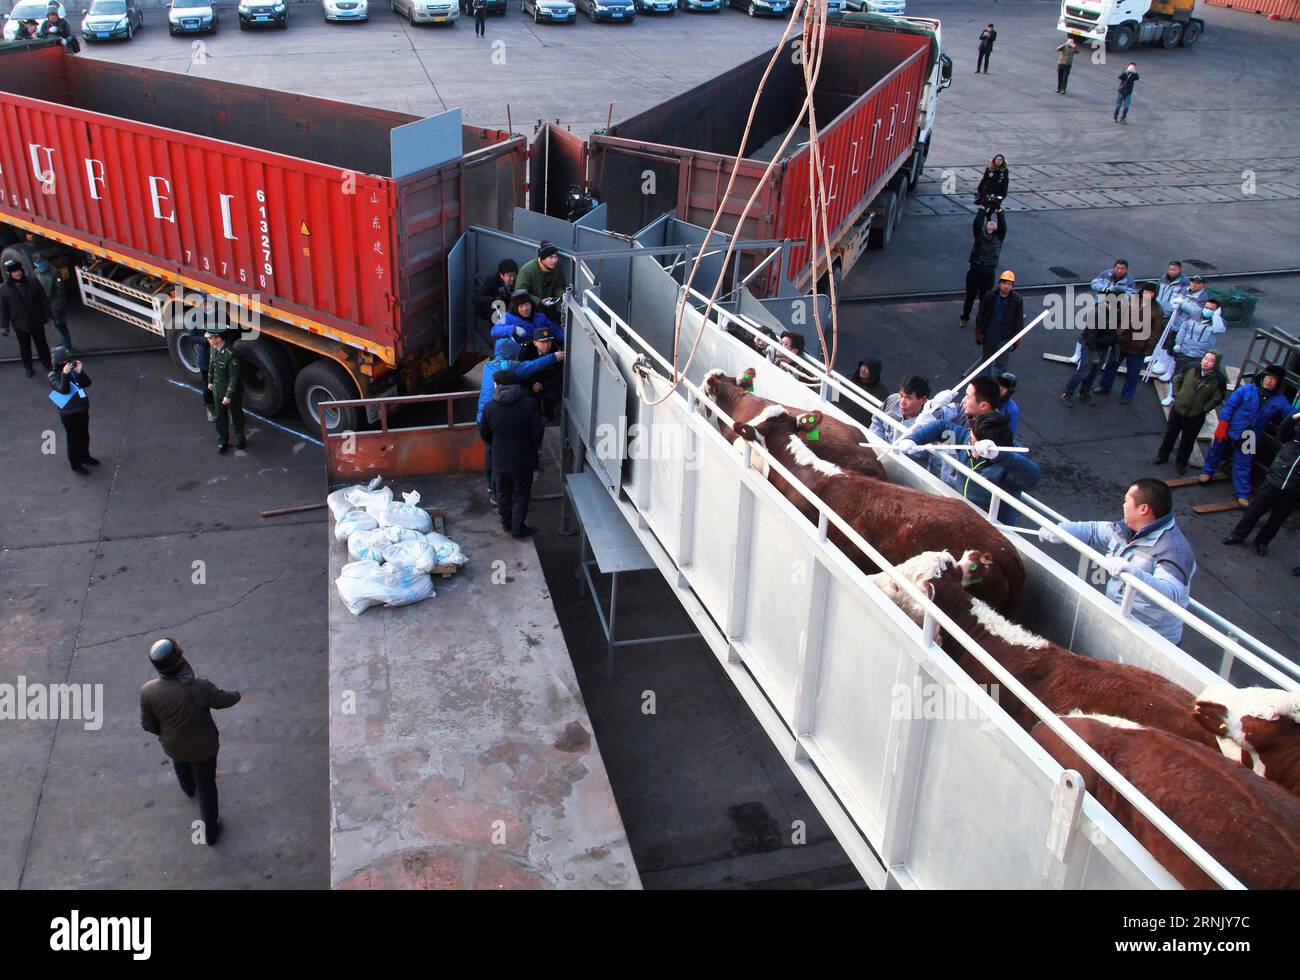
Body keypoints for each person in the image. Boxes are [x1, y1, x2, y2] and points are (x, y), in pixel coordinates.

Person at [1041, 479, 1196, 644]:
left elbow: (1170, 595)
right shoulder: (1127, 529)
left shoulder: (1174, 550)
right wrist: (1062, 530)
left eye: (1126, 500)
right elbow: (1093, 531)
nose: (1123, 505)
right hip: (1121, 623)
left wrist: (1133, 573)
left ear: (1143, 509)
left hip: (1150, 641)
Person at [139, 638, 241, 846]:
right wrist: (237, 694)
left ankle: (187, 788)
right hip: (203, 747)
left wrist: (166, 733)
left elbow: (147, 724)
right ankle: (210, 832)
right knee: (207, 788)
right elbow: (224, 700)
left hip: (172, 745)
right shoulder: (199, 686)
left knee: (181, 764)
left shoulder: (148, 691)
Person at [899, 410, 1041, 522]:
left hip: (992, 526)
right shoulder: (969, 438)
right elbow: (942, 427)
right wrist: (913, 439)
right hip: (961, 514)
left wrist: (1000, 455)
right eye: (971, 441)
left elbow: (1032, 478)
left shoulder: (1011, 459)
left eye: (974, 444)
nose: (970, 447)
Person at [1200, 364, 1292, 506]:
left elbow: (1290, 412)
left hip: (1250, 435)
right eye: (1268, 377)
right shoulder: (1246, 390)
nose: (1269, 381)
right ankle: (1207, 472)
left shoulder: (1280, 400)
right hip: (1231, 428)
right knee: (1216, 451)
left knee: (1244, 463)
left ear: (1278, 383)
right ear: (1262, 377)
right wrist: (1223, 425)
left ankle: (1242, 493)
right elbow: (1230, 406)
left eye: (1273, 379)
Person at [479, 370, 545, 539]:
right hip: (524, 459)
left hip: (499, 459)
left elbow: (485, 433)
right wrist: (531, 447)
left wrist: (495, 446)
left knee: (503, 493)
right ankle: (518, 528)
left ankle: (506, 523)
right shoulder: (529, 405)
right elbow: (537, 432)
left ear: (497, 385)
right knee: (521, 494)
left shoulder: (489, 407)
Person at [1222, 413, 1300, 557]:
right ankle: (1238, 535)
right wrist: (1294, 417)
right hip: (1275, 479)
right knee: (1254, 510)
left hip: (1294, 489)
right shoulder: (1295, 435)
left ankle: (1262, 542)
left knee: (1277, 519)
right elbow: (1283, 430)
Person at [1152, 350, 1228, 476]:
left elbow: (1218, 397)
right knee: (1170, 434)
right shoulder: (1191, 367)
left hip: (1195, 415)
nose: (1206, 362)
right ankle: (1162, 456)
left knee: (1188, 440)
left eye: (1210, 360)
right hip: (1178, 409)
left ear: (1216, 363)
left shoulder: (1219, 379)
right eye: (1205, 358)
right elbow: (1177, 379)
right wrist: (1177, 395)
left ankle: (1181, 462)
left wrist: (1204, 408)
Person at [1095, 281, 1162, 404]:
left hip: (1138, 347)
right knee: (1111, 366)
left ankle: (1127, 394)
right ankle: (1104, 386)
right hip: (1121, 342)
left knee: (1133, 373)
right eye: (1146, 291)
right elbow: (1120, 315)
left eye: (1150, 292)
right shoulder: (1133, 300)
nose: (1147, 294)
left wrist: (1148, 347)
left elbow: (1155, 332)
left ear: (1155, 294)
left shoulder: (1157, 310)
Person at [0, 256, 54, 377]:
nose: (17, 273)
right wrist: (4, 326)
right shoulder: (4, 289)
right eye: (14, 272)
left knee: (42, 345)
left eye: (18, 270)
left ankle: (47, 364)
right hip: (20, 324)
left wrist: (48, 315)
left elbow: (43, 299)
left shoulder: (33, 282)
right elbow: (4, 309)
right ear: (9, 274)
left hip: (36, 320)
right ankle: (28, 367)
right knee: (25, 348)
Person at [48, 345, 98, 475]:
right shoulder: (53, 375)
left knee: (84, 435)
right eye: (62, 363)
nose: (65, 364)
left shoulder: (74, 371)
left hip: (82, 409)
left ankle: (85, 456)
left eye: (66, 362)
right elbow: (63, 390)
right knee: (73, 439)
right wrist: (65, 374)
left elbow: (87, 383)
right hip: (68, 413)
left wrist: (79, 371)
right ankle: (75, 464)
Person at [959, 204, 1005, 328]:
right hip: (976, 269)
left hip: (988, 271)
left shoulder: (999, 238)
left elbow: (1003, 225)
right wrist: (982, 210)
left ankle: (980, 321)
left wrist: (999, 210)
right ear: (985, 227)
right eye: (989, 222)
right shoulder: (980, 236)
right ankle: (964, 317)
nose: (992, 223)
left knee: (984, 299)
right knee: (970, 296)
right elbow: (976, 224)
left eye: (993, 223)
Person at [974, 269, 1023, 376]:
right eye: (1004, 283)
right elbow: (981, 315)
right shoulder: (990, 296)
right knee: (986, 362)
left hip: (1005, 337)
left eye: (1009, 284)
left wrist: (1017, 339)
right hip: (990, 335)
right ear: (1000, 283)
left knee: (1001, 365)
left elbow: (1018, 321)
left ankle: (998, 387)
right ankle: (986, 386)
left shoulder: (1017, 300)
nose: (1006, 286)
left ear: (1012, 286)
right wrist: (979, 331)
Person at [206, 326, 245, 454]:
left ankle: (240, 439)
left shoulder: (230, 355)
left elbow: (234, 378)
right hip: (217, 390)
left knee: (236, 416)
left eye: (210, 337)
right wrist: (210, 381)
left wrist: (228, 395)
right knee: (219, 417)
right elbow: (212, 365)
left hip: (230, 393)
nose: (208, 339)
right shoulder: (213, 349)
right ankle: (223, 441)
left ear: (218, 338)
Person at [491, 288, 563, 355]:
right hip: (519, 354)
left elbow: (555, 331)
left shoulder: (540, 317)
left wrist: (568, 339)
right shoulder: (508, 317)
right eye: (521, 306)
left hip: (538, 352)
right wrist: (514, 329)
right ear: (516, 308)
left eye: (527, 305)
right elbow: (494, 331)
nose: (525, 309)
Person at [1172, 296, 1226, 380]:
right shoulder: (1195, 315)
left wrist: (1216, 316)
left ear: (1216, 311)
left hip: (1200, 356)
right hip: (1184, 352)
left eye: (1211, 309)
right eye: (1206, 307)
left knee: (1193, 378)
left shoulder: (1218, 322)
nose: (1208, 310)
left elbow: (1218, 329)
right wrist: (1178, 343)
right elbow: (1183, 329)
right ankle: (1171, 392)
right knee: (1178, 374)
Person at [870, 373, 931, 445]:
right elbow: (877, 421)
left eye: (908, 398)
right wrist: (877, 444)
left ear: (923, 399)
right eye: (901, 395)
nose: (902, 402)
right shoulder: (893, 399)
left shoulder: (928, 424)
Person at [516, 240, 566, 319]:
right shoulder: (527, 270)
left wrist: (563, 296)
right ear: (542, 258)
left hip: (549, 310)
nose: (554, 260)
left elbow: (558, 286)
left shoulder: (557, 267)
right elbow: (520, 293)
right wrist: (539, 301)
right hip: (531, 312)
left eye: (556, 257)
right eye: (551, 257)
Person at [525, 326, 564, 423]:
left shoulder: (557, 352)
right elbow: (523, 372)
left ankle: (549, 415)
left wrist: (543, 385)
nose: (546, 345)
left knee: (553, 396)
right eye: (542, 342)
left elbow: (559, 374)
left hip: (548, 384)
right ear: (535, 342)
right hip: (531, 384)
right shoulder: (526, 352)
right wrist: (532, 384)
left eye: (549, 341)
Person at [32, 256, 71, 350]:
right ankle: (64, 341)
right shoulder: (36, 272)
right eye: (38, 264)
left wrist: (59, 305)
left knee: (61, 324)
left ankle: (67, 345)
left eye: (41, 263)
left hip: (55, 305)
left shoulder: (55, 272)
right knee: (56, 324)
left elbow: (60, 291)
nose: (40, 266)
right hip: (47, 305)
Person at [474, 258, 518, 323]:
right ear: (501, 275)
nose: (512, 278)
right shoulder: (493, 280)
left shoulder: (519, 278)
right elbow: (476, 299)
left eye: (514, 275)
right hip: (494, 309)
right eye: (509, 276)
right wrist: (494, 299)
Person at [996, 371, 1020, 436]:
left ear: (1010, 391)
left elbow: (1009, 435)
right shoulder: (986, 398)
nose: (1000, 388)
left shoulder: (1012, 410)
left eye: (1004, 387)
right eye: (999, 385)